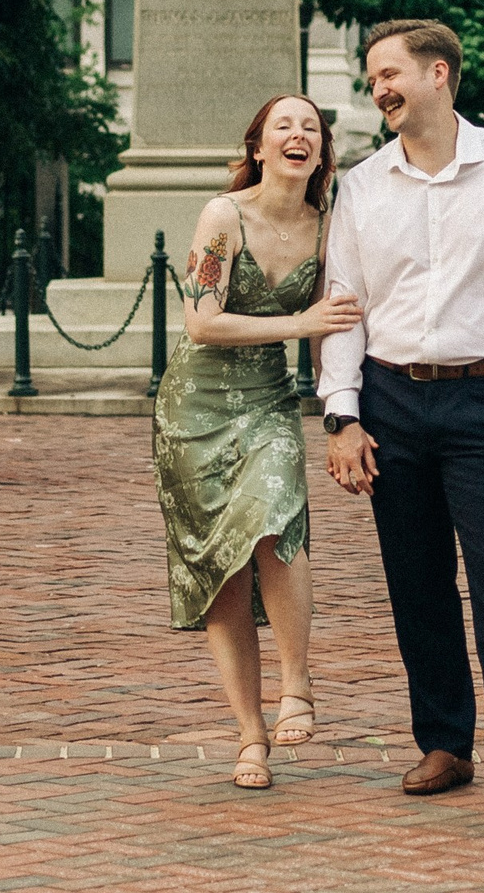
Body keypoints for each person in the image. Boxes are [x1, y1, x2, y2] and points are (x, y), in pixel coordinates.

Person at [317, 20, 484, 815]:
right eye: (372, 78)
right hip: (391, 399)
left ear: (440, 73)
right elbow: (346, 307)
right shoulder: (364, 187)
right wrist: (343, 415)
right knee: (416, 580)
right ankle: (444, 740)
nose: (380, 89)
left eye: (390, 73)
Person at [155, 93, 362, 789]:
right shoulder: (224, 215)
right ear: (259, 147)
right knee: (222, 566)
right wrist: (299, 325)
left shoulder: (329, 226)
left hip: (271, 402)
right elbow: (201, 323)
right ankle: (249, 736)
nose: (298, 135)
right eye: (285, 126)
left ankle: (297, 685)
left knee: (277, 523)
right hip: (196, 407)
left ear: (321, 152)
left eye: (312, 128)